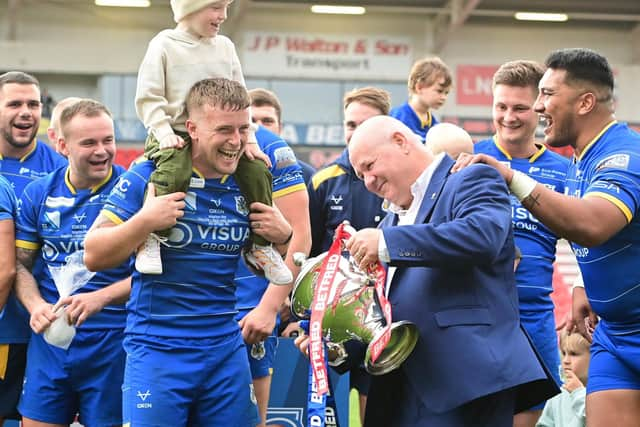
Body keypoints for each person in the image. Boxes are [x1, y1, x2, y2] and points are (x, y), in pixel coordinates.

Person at [304, 115, 557, 427]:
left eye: (369, 166)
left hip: (465, 380)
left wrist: (386, 243)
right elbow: (389, 312)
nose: (368, 182)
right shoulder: (389, 224)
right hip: (401, 391)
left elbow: (483, 236)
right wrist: (335, 344)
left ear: (400, 141)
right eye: (360, 176)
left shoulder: (469, 178)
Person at [84, 78, 293, 427]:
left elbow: (262, 265)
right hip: (157, 350)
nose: (236, 142)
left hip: (224, 349)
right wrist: (145, 221)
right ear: (192, 128)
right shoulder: (151, 175)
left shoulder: (249, 180)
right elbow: (93, 254)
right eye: (224, 130)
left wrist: (283, 237)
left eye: (243, 129)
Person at [455, 48, 640, 427]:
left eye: (548, 95)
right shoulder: (581, 158)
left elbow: (594, 224)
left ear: (586, 102)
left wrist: (512, 177)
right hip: (614, 332)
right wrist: (586, 286)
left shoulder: (623, 156)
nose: (539, 107)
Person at [134, 0, 291, 286]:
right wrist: (162, 130)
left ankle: (259, 246)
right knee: (174, 172)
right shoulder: (164, 45)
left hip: (222, 133)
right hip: (174, 132)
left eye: (226, 7)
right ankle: (152, 238)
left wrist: (250, 139)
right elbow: (148, 96)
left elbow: (240, 95)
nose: (223, 15)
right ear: (190, 6)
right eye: (216, 7)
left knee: (257, 172)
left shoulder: (225, 47)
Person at [13, 99, 132, 427]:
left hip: (114, 343)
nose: (102, 151)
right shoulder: (39, 193)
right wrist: (36, 304)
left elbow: (154, 273)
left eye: (108, 140)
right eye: (89, 143)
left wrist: (101, 298)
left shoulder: (133, 192)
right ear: (62, 145)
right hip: (51, 341)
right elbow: (20, 265)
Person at [474, 60, 569, 427]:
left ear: (539, 108)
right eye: (501, 107)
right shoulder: (469, 157)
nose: (508, 117)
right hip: (476, 319)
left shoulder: (563, 171)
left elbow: (586, 241)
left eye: (519, 107)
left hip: (534, 318)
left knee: (527, 416)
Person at [307, 86, 391, 424]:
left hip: (383, 323)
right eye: (350, 124)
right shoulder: (323, 181)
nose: (355, 133)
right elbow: (310, 256)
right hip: (331, 328)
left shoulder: (398, 181)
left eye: (366, 125)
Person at [236, 88, 312, 427]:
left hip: (250, 313)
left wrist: (271, 307)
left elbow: (302, 239)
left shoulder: (274, 150)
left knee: (251, 418)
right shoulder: (172, 143)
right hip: (184, 319)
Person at [0, 71, 67, 426]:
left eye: (33, 104)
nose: (26, 112)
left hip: (44, 328)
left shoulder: (62, 171)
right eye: (14, 104)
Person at [249, 88, 316, 183]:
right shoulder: (225, 170)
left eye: (267, 121)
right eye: (252, 122)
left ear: (280, 128)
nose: (259, 128)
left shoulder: (305, 175)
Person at [536, 330, 590, 427]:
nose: (565, 361)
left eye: (574, 354)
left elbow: (597, 418)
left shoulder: (603, 392)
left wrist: (578, 392)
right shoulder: (559, 394)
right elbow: (545, 424)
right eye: (564, 353)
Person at [390, 56, 452, 140]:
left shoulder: (433, 124)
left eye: (446, 93)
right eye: (439, 91)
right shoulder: (398, 117)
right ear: (419, 87)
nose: (444, 97)